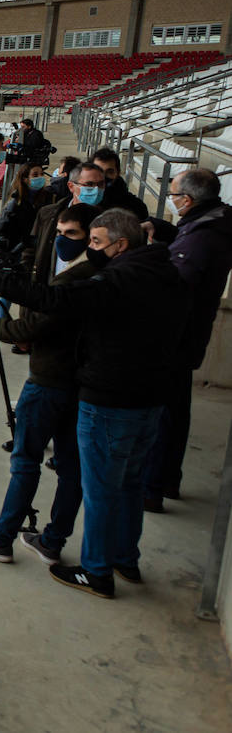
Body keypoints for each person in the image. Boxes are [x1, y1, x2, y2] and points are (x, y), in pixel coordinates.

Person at [0, 209, 188, 598]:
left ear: (120, 245)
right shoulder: (165, 274)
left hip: (110, 397)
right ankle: (123, 559)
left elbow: (53, 300)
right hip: (150, 397)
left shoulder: (117, 279)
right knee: (129, 484)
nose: (90, 249)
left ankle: (97, 571)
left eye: (96, 242)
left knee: (98, 487)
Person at [0, 203, 100, 566]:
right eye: (61, 233)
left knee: (25, 460)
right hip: (79, 383)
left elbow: (28, 330)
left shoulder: (74, 279)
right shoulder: (96, 273)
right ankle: (52, 540)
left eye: (74, 234)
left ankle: (1, 538)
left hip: (50, 380)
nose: (64, 240)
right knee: (70, 466)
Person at [142, 168, 232, 511]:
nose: (171, 199)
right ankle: (165, 481)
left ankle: (151, 487)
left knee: (162, 415)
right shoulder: (211, 223)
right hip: (186, 336)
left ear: (189, 200)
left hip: (175, 338)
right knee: (175, 410)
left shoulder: (204, 236)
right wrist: (165, 230)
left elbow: (177, 285)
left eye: (174, 194)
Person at [22, 161, 106, 281]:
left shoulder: (108, 221)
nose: (96, 190)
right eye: (89, 184)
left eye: (101, 184)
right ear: (71, 186)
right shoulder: (47, 214)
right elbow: (32, 248)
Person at [0, 162, 58, 250]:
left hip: (40, 247)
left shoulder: (49, 198)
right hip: (19, 249)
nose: (40, 177)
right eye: (35, 175)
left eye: (42, 174)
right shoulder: (15, 202)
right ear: (25, 179)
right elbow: (4, 230)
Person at [92, 147, 150, 220]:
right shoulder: (80, 199)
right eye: (99, 171)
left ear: (118, 172)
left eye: (109, 172)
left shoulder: (136, 207)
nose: (103, 177)